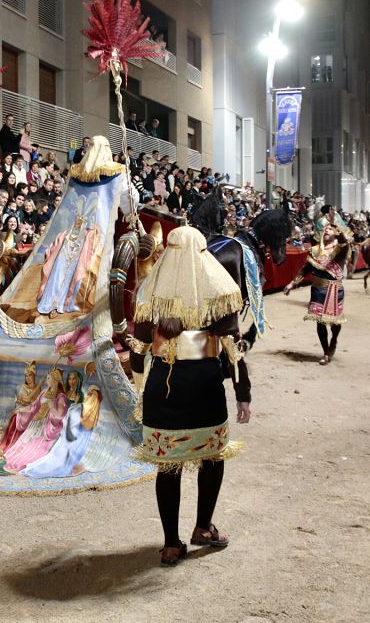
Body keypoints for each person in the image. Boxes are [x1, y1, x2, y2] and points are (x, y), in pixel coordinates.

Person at [131, 226, 249, 566]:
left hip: (163, 390)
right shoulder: (220, 291)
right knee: (212, 457)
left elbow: (137, 352)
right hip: (205, 388)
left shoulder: (149, 291)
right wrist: (243, 394)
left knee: (168, 466)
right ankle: (203, 528)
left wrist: (141, 391)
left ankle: (171, 543)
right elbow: (233, 351)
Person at [283, 223, 349, 365]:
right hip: (317, 290)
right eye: (325, 229)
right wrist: (292, 283)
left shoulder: (340, 249)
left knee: (334, 323)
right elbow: (305, 269)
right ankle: (326, 352)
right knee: (319, 322)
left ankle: (334, 340)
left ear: (336, 233)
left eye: (330, 229)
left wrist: (338, 228)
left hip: (334, 290)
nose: (327, 230)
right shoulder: (314, 250)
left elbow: (345, 242)